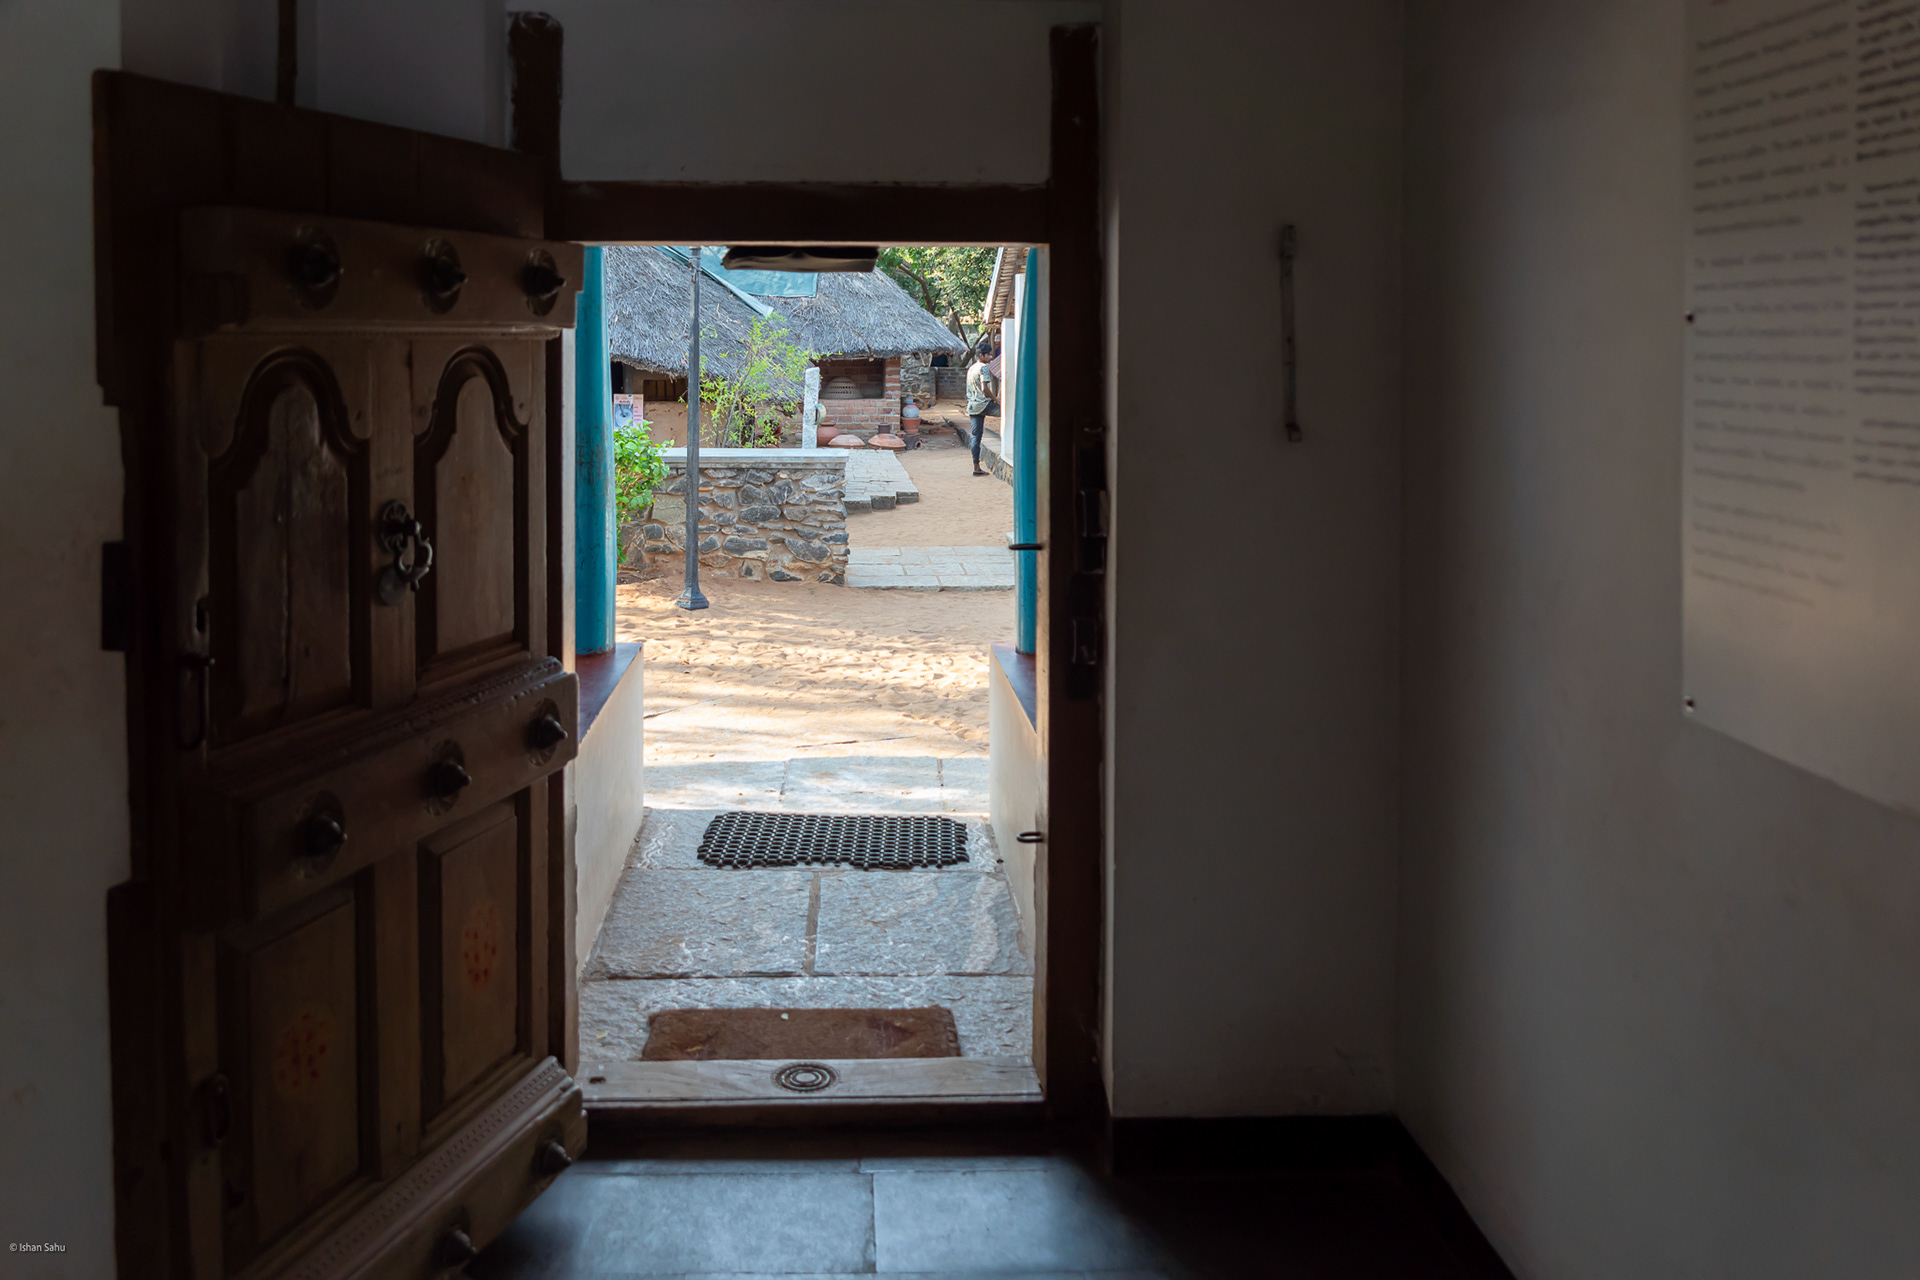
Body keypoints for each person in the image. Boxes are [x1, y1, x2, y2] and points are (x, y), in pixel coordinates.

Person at [965, 340, 999, 476]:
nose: (991, 357)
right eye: (988, 355)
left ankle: (976, 467)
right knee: (1007, 412)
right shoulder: (983, 368)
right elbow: (985, 389)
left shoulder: (971, 368)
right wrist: (996, 399)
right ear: (981, 355)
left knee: (976, 437)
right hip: (983, 404)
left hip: (972, 405)